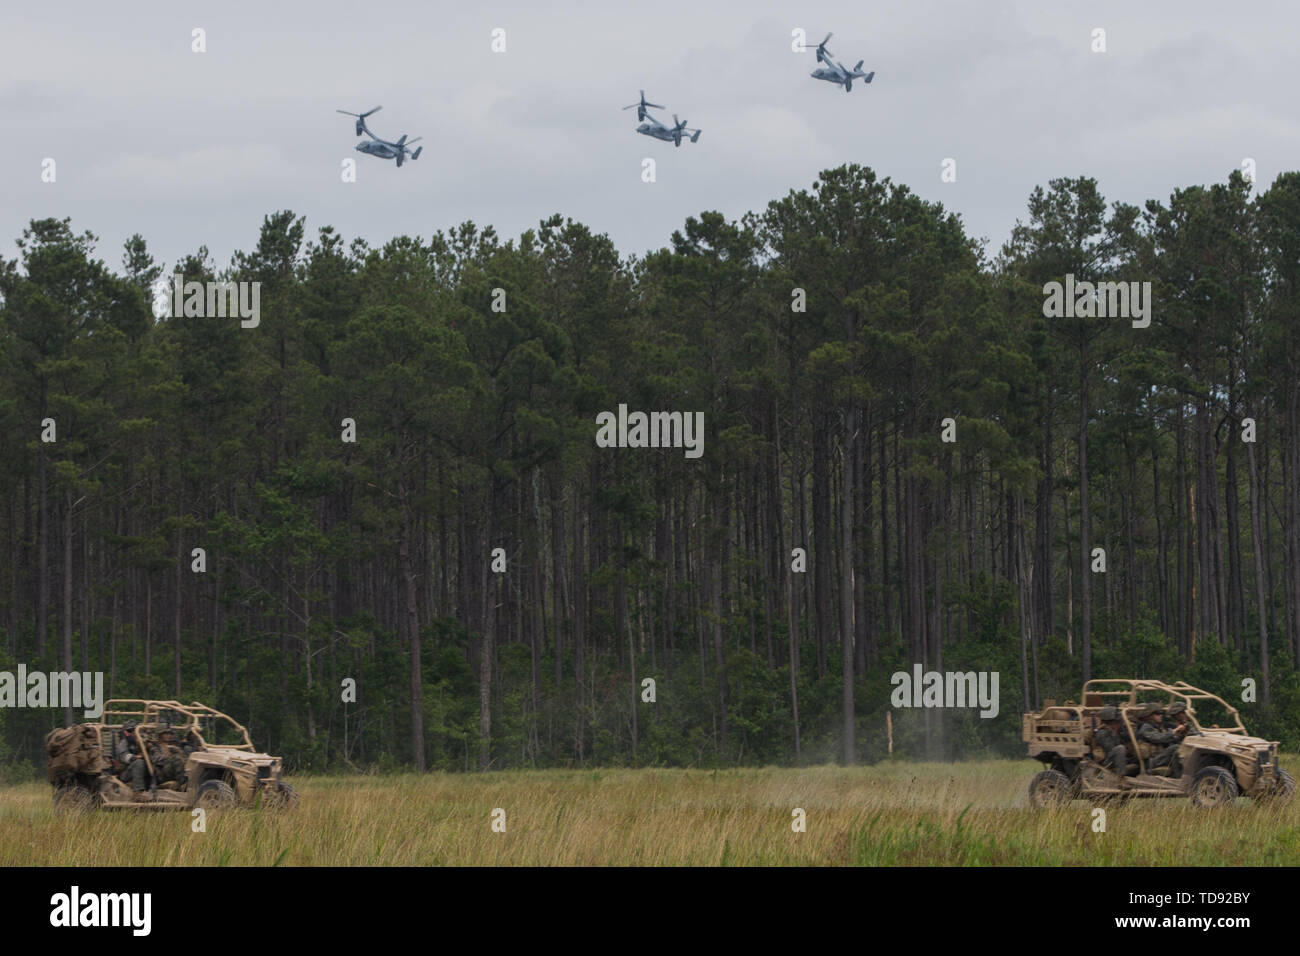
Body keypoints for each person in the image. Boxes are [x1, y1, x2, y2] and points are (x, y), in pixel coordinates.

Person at [1137, 703, 1186, 776]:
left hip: (1162, 756)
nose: (1161, 715)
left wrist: (1181, 734)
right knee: (1175, 748)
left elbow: (1170, 739)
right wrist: (1174, 731)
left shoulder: (1160, 727)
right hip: (1153, 761)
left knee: (1181, 747)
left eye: (1161, 713)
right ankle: (1177, 777)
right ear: (1150, 715)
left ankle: (1179, 776)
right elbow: (1159, 738)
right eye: (1157, 713)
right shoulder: (1145, 728)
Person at [114, 720, 151, 801]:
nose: (133, 733)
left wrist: (147, 746)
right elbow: (125, 757)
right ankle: (137, 792)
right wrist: (136, 757)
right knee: (139, 763)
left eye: (134, 730)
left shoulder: (141, 742)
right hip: (125, 773)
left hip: (141, 771)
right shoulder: (123, 743)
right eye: (130, 731)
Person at [1093, 705, 1131, 775]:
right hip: (1106, 761)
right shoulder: (1102, 732)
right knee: (1120, 749)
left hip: (1116, 758)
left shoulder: (1115, 731)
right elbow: (1110, 747)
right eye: (1117, 722)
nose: (1119, 724)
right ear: (1110, 722)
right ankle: (1121, 777)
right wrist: (1113, 732)